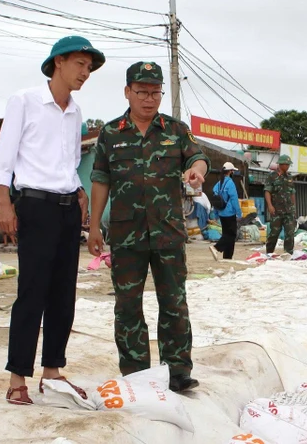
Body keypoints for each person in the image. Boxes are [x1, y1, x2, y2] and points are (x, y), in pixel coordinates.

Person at [0, 35, 104, 406]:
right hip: (35, 206)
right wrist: (4, 203)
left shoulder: (75, 111)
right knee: (32, 292)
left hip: (68, 208)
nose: (85, 73)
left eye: (89, 68)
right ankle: (17, 378)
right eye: (80, 64)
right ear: (58, 62)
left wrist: (79, 192)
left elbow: (69, 162)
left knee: (63, 293)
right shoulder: (24, 101)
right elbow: (4, 158)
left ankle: (52, 370)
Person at [88, 61, 209, 393]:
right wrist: (94, 226)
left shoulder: (176, 130)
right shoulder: (110, 134)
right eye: (142, 92)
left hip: (168, 232)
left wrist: (196, 171)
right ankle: (136, 373)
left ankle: (177, 370)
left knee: (174, 303)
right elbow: (100, 180)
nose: (149, 99)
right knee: (128, 305)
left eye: (156, 92)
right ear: (127, 92)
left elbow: (198, 157)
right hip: (126, 235)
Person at [263, 154, 297, 255]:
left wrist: (293, 207)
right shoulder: (272, 176)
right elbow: (267, 191)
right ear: (281, 164)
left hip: (289, 211)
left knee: (290, 233)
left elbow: (292, 193)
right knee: (274, 233)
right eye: (287, 164)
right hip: (276, 210)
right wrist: (270, 206)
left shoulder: (289, 177)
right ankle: (269, 252)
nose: (288, 166)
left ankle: (288, 253)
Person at [211, 162, 241, 260]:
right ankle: (216, 248)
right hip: (229, 213)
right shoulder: (230, 183)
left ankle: (227, 257)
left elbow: (215, 201)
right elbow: (234, 199)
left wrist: (216, 214)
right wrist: (239, 213)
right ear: (230, 172)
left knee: (226, 234)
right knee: (232, 235)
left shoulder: (218, 184)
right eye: (233, 171)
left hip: (221, 213)